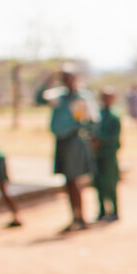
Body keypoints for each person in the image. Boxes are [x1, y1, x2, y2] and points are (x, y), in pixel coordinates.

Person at [37, 66, 95, 232]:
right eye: (64, 78)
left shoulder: (81, 97)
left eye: (70, 78)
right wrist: (49, 80)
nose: (67, 81)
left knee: (74, 179)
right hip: (61, 141)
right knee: (68, 181)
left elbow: (90, 121)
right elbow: (39, 99)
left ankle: (80, 217)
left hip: (73, 141)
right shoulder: (58, 97)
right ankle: (75, 217)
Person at [91, 88, 122, 224]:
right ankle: (102, 211)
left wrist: (100, 140)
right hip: (97, 154)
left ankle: (114, 211)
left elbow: (114, 136)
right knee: (98, 183)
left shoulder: (114, 116)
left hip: (109, 154)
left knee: (110, 183)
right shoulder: (97, 115)